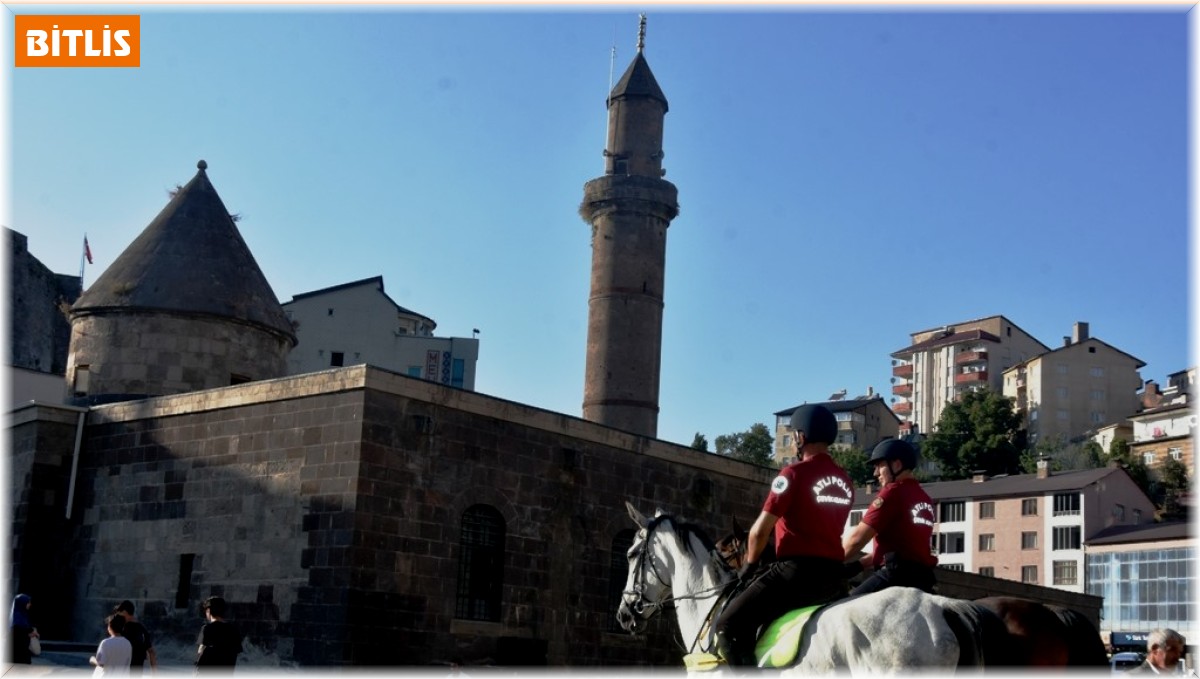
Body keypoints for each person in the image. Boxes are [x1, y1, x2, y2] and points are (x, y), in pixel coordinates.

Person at [712, 404, 854, 667]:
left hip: (796, 574)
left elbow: (758, 532)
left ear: (801, 436)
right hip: (835, 578)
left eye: (794, 435)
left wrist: (749, 567)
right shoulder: (846, 482)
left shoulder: (791, 474)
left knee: (728, 626)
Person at [842, 439, 938, 595]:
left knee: (842, 609)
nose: (876, 473)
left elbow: (857, 539)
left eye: (880, 466)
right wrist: (859, 565)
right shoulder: (924, 498)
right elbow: (904, 550)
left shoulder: (892, 492)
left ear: (897, 465)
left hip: (895, 577)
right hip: (924, 579)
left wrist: (830, 562)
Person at [196, 596, 243, 672]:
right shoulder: (234, 630)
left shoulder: (207, 629)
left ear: (208, 610)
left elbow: (200, 652)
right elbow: (235, 653)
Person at [113, 600, 157, 674]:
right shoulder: (142, 629)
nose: (118, 617)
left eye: (119, 614)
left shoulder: (121, 629)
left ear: (124, 612)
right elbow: (151, 652)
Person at [10, 593, 39, 664]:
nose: (29, 604)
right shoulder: (17, 618)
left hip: (23, 652)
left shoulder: (23, 615)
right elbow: (17, 635)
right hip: (18, 653)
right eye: (28, 602)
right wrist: (29, 635)